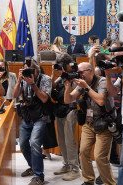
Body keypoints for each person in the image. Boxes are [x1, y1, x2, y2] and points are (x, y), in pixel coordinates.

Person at [64, 61, 116, 185]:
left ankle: (110, 183)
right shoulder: (82, 83)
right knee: (83, 152)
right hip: (89, 123)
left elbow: (101, 101)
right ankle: (88, 181)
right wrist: (67, 87)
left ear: (90, 71)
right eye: (78, 73)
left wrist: (86, 87)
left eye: (81, 72)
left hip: (104, 123)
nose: (79, 75)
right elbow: (68, 100)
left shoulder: (102, 81)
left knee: (99, 157)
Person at [14, 59, 52, 185]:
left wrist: (33, 84)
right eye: (25, 70)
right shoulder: (23, 79)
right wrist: (19, 81)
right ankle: (33, 167)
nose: (28, 72)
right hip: (27, 116)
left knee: (35, 143)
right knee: (23, 144)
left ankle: (38, 176)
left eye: (30, 70)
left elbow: (44, 98)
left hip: (40, 116)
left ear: (37, 69)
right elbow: (15, 95)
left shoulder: (45, 79)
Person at [51, 53, 80, 181]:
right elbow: (52, 86)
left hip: (71, 109)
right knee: (62, 140)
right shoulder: (62, 76)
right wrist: (53, 74)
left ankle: (74, 168)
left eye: (64, 65)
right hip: (59, 109)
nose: (62, 67)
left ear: (69, 64)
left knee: (69, 140)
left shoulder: (76, 74)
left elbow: (75, 91)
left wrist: (67, 77)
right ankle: (66, 164)